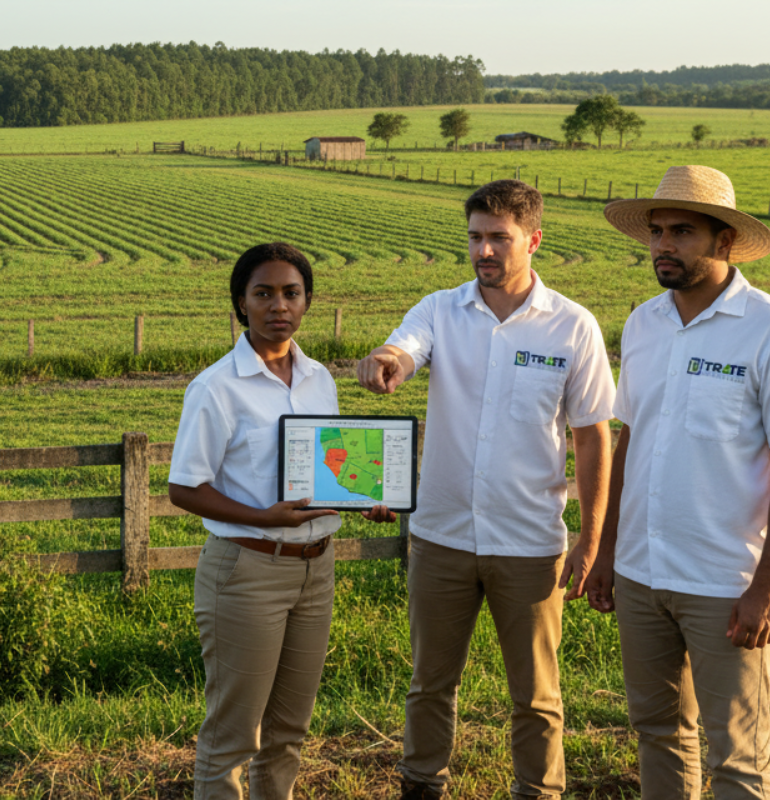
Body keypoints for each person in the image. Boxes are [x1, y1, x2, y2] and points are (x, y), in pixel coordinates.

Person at [357, 180, 616, 799]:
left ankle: (539, 791)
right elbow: (405, 347)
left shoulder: (572, 327)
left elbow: (593, 439)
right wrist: (386, 358)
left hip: (530, 544)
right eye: (475, 237)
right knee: (429, 684)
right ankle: (421, 784)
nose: (484, 251)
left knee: (536, 695)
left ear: (534, 239)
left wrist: (590, 540)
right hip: (441, 537)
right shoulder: (440, 310)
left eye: (499, 237)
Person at [588, 165, 770, 799]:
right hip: (642, 573)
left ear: (725, 242)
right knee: (658, 733)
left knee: (739, 759)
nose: (663, 244)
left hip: (725, 581)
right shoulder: (643, 323)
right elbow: (629, 440)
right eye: (657, 232)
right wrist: (608, 553)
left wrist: (762, 592)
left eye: (683, 232)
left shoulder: (764, 328)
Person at [168, 242, 347, 800]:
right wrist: (261, 516)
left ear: (308, 301)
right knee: (233, 736)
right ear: (240, 304)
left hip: (316, 571)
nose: (278, 305)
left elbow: (332, 467)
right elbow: (183, 488)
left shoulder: (320, 379)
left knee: (289, 731)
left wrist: (364, 498)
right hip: (247, 570)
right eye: (263, 293)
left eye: (291, 293)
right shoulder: (217, 387)